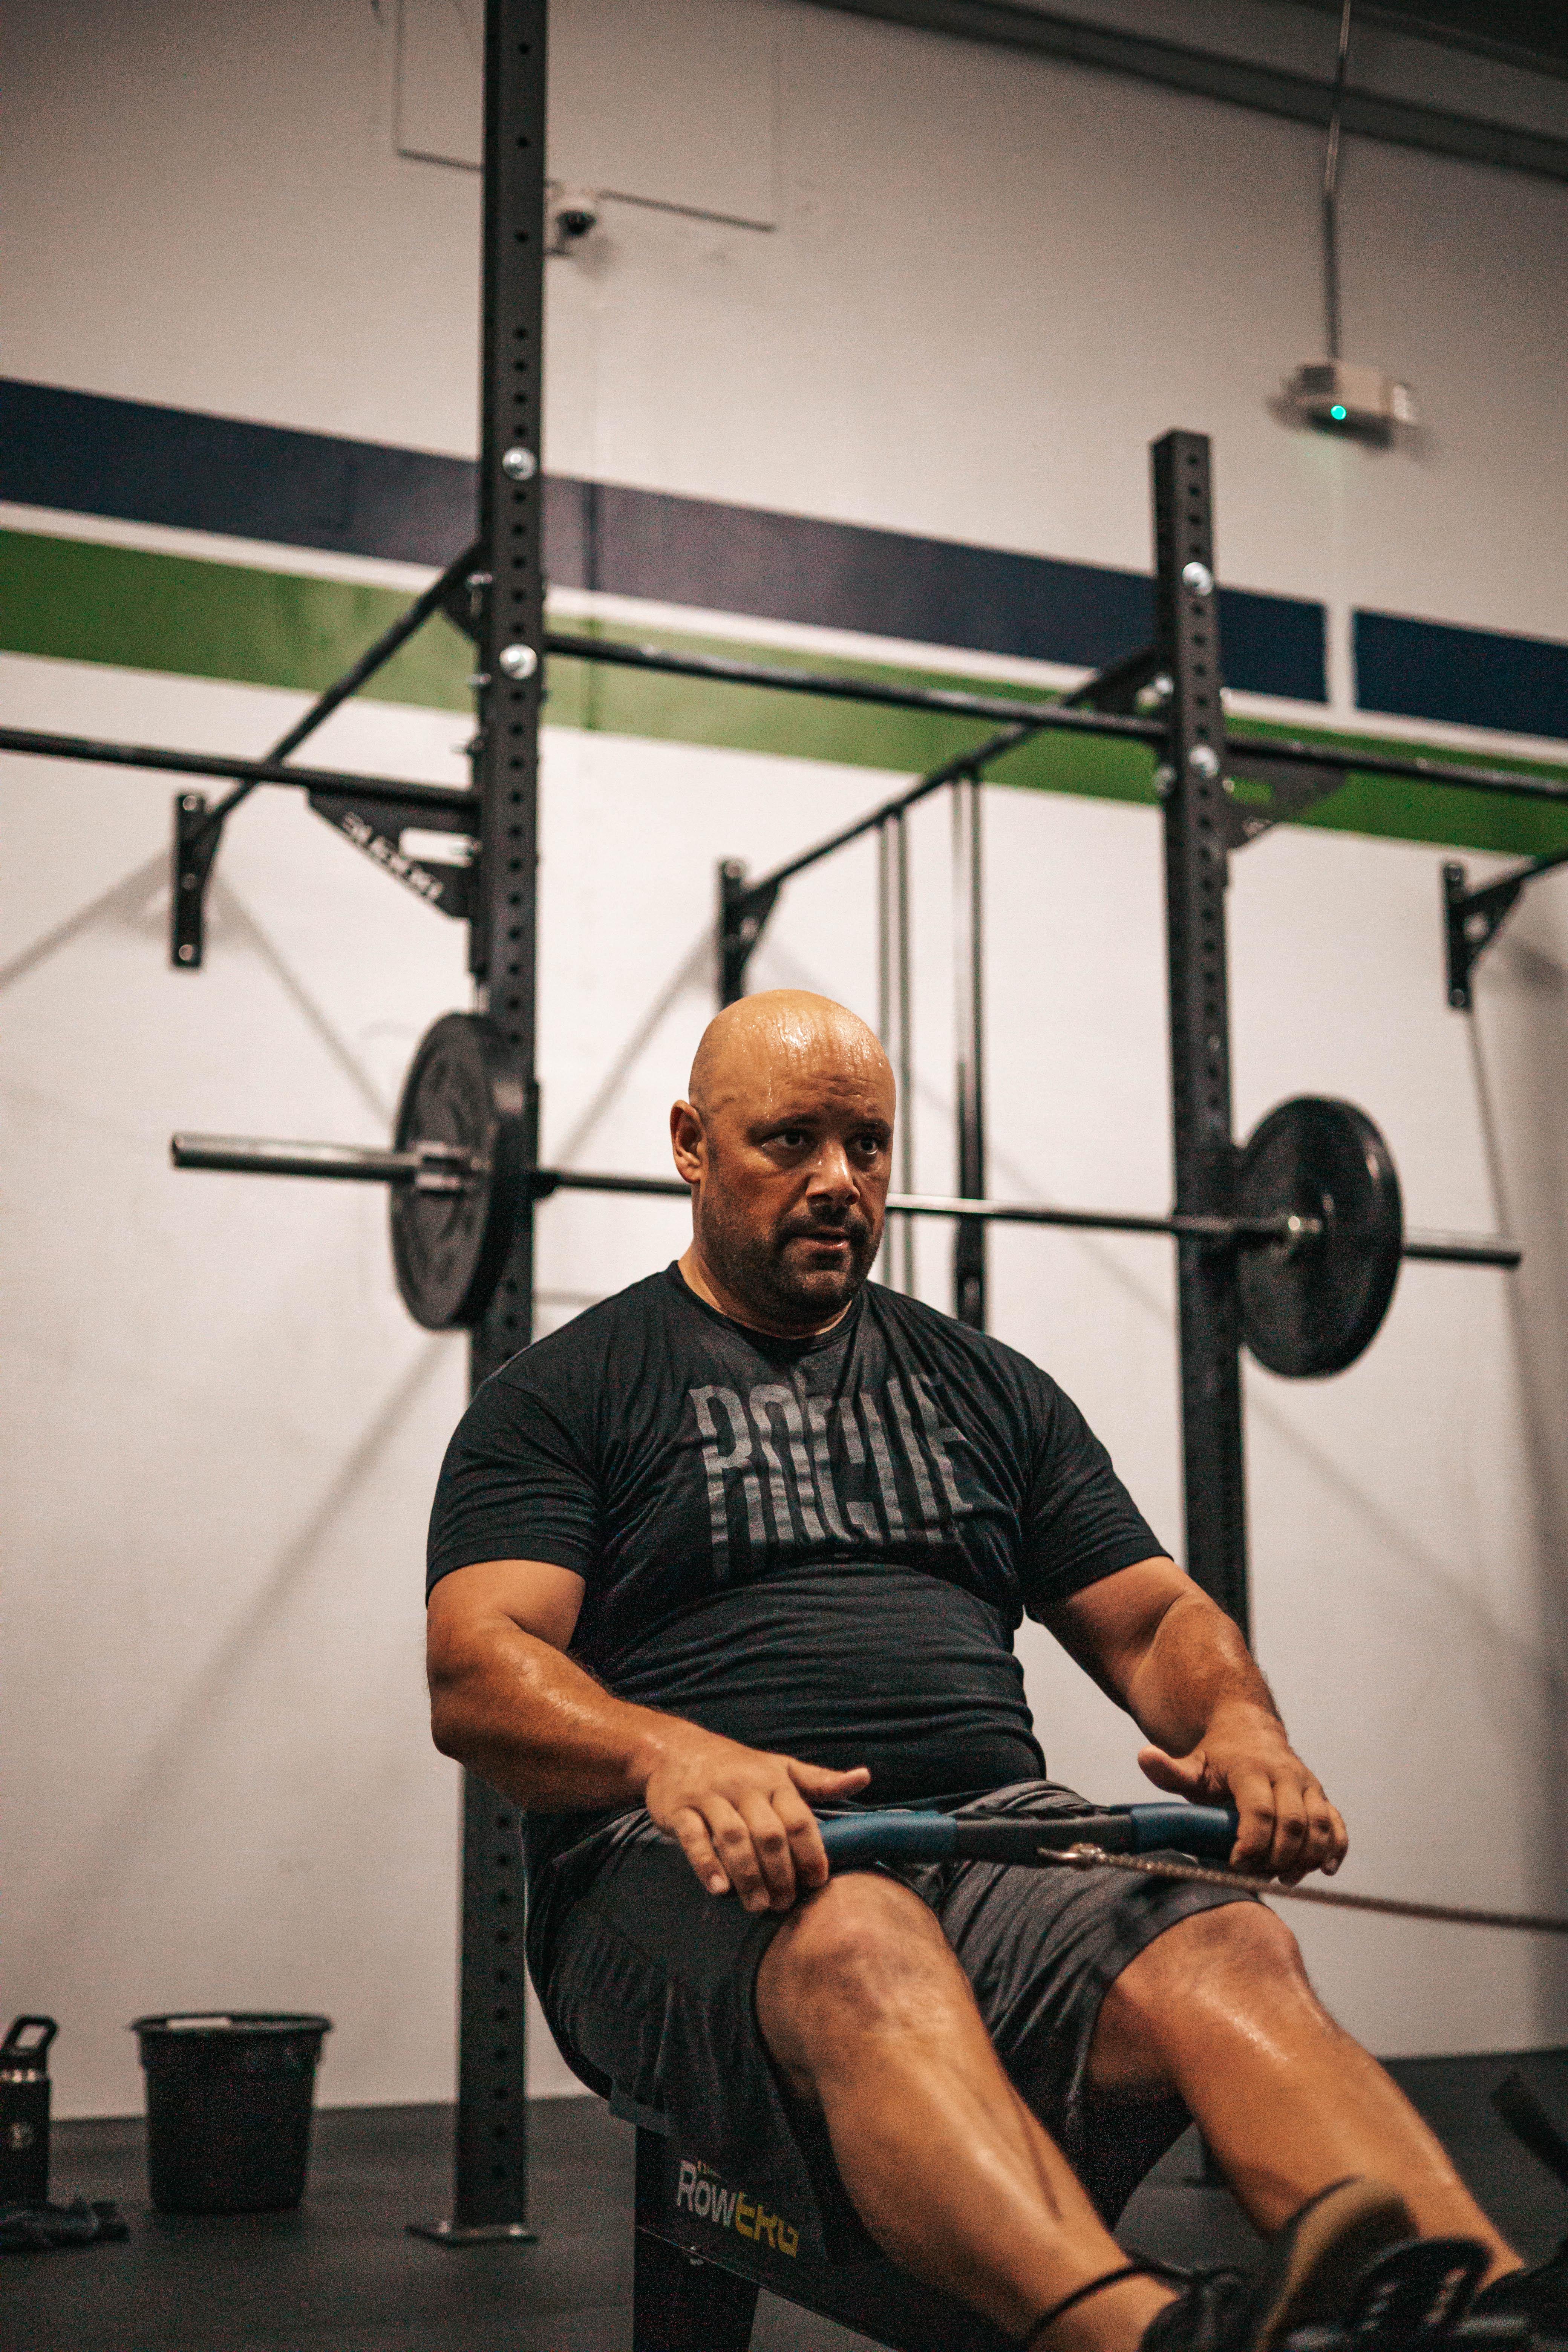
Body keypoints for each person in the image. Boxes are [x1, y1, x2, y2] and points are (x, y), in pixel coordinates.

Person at [425, 989, 1562, 2352]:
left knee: (1228, 1941)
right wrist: (673, 1755)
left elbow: (1152, 1620)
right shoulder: (569, 1391)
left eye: (868, 1145)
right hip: (680, 1870)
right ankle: (1145, 2338)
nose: (839, 1180)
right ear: (690, 1144)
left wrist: (1243, 1726)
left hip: (988, 1842)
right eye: (790, 1140)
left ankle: (1481, 2310)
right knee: (864, 1939)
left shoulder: (985, 1387)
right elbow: (478, 1668)